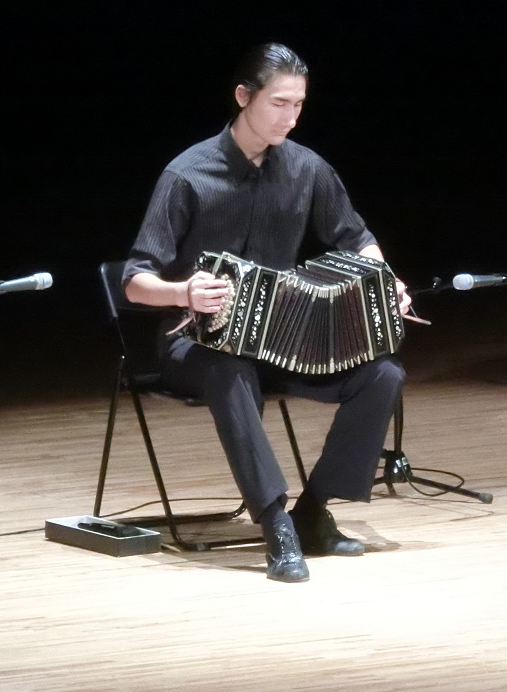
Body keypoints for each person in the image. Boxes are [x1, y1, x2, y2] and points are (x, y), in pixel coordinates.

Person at [123, 43, 411, 583]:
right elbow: (136, 281)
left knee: (384, 373)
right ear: (243, 97)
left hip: (285, 339)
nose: (291, 116)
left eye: (298, 105)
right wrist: (184, 292)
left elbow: (357, 238)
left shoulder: (308, 168)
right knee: (229, 370)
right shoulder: (187, 174)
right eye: (279, 103)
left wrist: (386, 282)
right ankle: (274, 520)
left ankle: (314, 510)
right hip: (198, 341)